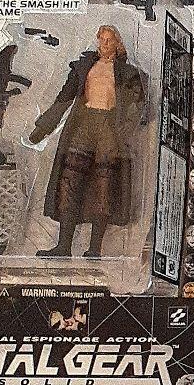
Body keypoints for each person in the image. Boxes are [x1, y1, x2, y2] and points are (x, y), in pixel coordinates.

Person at [29, 25, 146, 259]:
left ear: (117, 43)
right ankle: (63, 247)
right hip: (83, 124)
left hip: (109, 126)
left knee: (104, 185)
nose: (104, 43)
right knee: (69, 182)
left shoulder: (128, 73)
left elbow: (138, 105)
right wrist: (42, 129)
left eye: (109, 39)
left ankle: (94, 249)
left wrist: (124, 131)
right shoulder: (84, 67)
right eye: (101, 39)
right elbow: (63, 99)